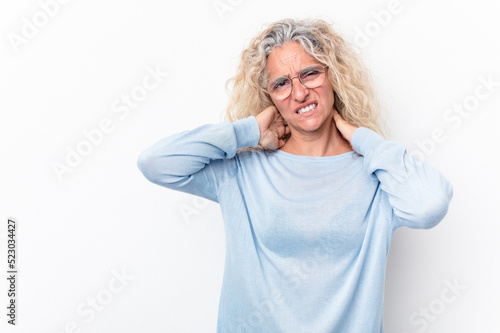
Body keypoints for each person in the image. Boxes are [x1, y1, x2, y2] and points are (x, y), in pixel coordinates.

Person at [137, 18, 453, 333]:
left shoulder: (378, 175)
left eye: (310, 73)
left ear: (334, 76)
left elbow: (429, 205)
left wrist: (362, 139)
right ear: (270, 98)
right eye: (281, 84)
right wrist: (247, 131)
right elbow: (156, 163)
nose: (299, 92)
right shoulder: (243, 172)